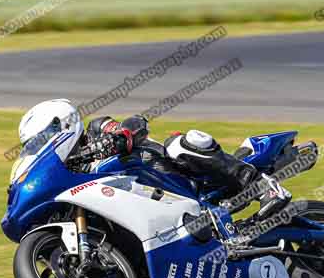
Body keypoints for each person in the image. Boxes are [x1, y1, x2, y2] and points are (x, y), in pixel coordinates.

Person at [15, 99, 290, 244]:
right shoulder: (69, 175)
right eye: (35, 144)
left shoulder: (96, 129)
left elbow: (135, 123)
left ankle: (264, 187)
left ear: (61, 123)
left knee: (181, 144)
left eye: (43, 137)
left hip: (177, 178)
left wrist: (121, 135)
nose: (41, 146)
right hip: (154, 213)